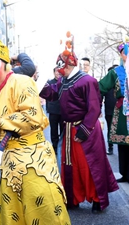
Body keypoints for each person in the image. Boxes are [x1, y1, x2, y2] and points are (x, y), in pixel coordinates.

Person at [0, 37, 70, 224]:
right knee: (12, 215)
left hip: (34, 161)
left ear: (5, 66)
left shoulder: (21, 82)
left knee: (46, 213)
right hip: (8, 163)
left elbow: (33, 117)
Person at [39, 32, 118, 213]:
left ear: (69, 65)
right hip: (68, 129)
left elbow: (94, 107)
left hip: (86, 128)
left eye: (63, 69)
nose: (61, 72)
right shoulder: (64, 80)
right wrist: (39, 86)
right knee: (70, 166)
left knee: (92, 165)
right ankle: (73, 198)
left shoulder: (87, 81)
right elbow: (52, 94)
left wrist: (84, 129)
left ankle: (98, 199)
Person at [0, 53, 37, 216]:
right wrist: (19, 55)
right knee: (2, 166)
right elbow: (30, 67)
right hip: (9, 126)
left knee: (2, 166)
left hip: (1, 123)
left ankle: (0, 201)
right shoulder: (8, 73)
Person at [98, 41, 129, 183]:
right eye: (125, 52)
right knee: (123, 144)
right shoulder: (115, 72)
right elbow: (100, 87)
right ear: (121, 54)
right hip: (122, 112)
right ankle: (125, 173)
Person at [45, 67, 63, 153]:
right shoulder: (49, 83)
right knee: (54, 130)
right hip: (53, 111)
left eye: (60, 71)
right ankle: (55, 146)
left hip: (63, 111)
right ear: (54, 72)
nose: (58, 73)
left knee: (63, 130)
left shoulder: (64, 82)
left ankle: (62, 146)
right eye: (56, 71)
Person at [103, 65, 118, 155]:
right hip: (109, 111)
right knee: (110, 129)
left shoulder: (123, 83)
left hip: (121, 112)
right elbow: (99, 95)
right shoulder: (106, 85)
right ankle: (110, 147)